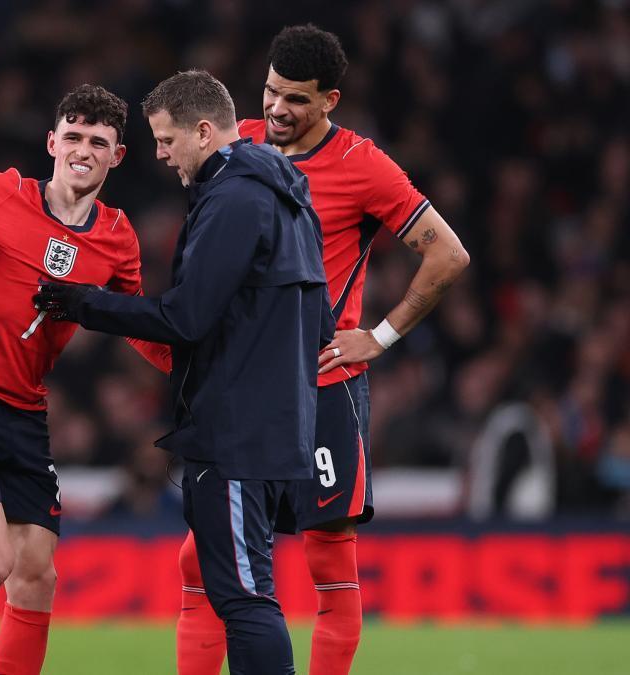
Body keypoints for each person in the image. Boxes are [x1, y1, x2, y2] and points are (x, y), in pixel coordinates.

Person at [171, 25, 472, 675]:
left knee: (329, 561)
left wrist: (379, 336)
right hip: (241, 387)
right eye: (271, 92)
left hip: (322, 388)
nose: (277, 109)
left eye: (296, 100)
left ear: (330, 100)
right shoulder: (236, 140)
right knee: (204, 559)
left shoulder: (363, 166)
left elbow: (448, 253)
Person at [34, 70, 328, 675]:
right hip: (277, 423)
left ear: (201, 130)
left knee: (245, 598)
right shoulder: (289, 197)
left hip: (239, 432)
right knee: (240, 590)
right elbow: (319, 322)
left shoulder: (235, 199)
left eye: (166, 140)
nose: (160, 154)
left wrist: (84, 302)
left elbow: (187, 315)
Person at [0, 84, 170, 675]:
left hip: (26, 415)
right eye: (73, 137)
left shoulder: (117, 239)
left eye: (98, 142)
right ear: (51, 142)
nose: (83, 150)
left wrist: (196, 375)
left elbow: (136, 325)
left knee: (38, 577)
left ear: (117, 156)